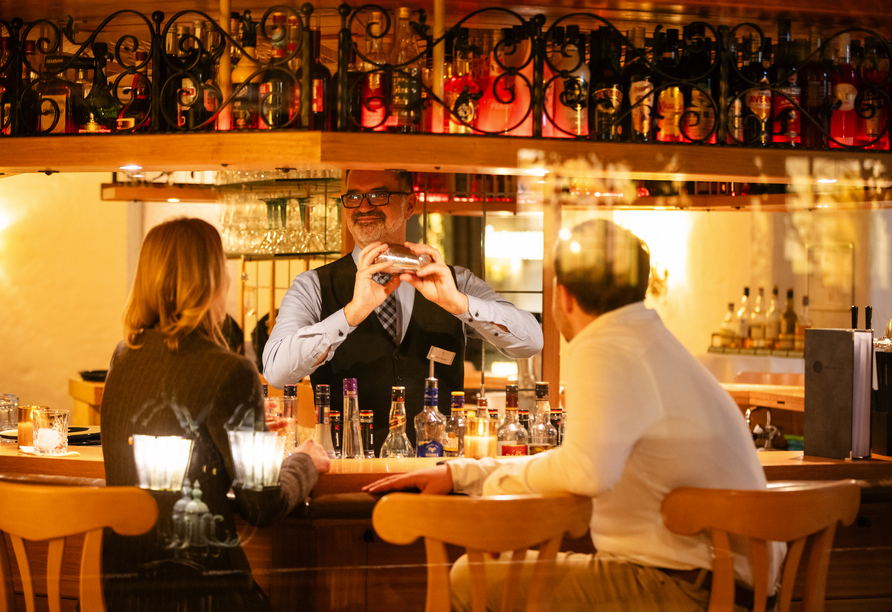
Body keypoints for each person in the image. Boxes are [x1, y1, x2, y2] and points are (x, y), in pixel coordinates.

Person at [366, 219, 785, 612]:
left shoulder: (603, 345)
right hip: (732, 587)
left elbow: (586, 471)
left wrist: (491, 482)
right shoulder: (651, 341)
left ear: (562, 295)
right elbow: (583, 459)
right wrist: (464, 474)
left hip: (684, 589)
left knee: (466, 577)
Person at [100, 218, 331, 612]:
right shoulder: (230, 371)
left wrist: (245, 434)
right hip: (202, 595)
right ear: (210, 281)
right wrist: (304, 462)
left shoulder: (124, 356)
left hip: (120, 591)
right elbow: (262, 505)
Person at [263, 169, 543, 454]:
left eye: (378, 195)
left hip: (437, 475)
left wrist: (459, 304)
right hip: (345, 474)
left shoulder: (454, 281)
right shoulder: (313, 286)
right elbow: (276, 372)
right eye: (354, 196)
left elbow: (531, 341)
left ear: (410, 204)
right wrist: (350, 315)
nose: (363, 206)